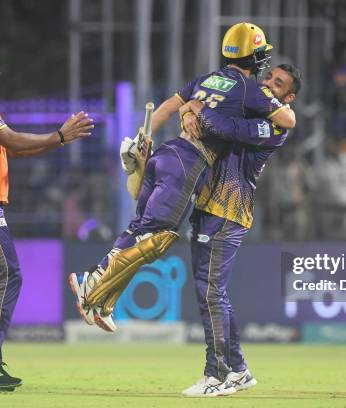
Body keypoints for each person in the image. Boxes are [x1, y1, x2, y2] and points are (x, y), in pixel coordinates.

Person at [69, 23, 295, 342]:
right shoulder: (247, 89)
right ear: (252, 57)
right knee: (157, 237)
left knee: (139, 230)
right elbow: (288, 120)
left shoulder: (205, 80)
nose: (265, 66)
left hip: (164, 154)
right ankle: (92, 281)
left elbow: (163, 109)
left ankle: (102, 301)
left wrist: (140, 139)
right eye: (261, 56)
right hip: (187, 164)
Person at [0, 40, 94, 391]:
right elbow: (12, 141)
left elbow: (12, 150)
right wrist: (60, 135)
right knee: (7, 273)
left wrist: (58, 140)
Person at [178, 63, 301, 396]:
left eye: (277, 84)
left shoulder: (274, 127)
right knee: (214, 294)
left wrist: (197, 106)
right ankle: (239, 370)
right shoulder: (247, 106)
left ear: (287, 98)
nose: (267, 83)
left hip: (229, 210)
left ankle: (216, 374)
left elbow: (228, 129)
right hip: (207, 206)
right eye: (268, 77)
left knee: (210, 293)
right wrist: (189, 108)